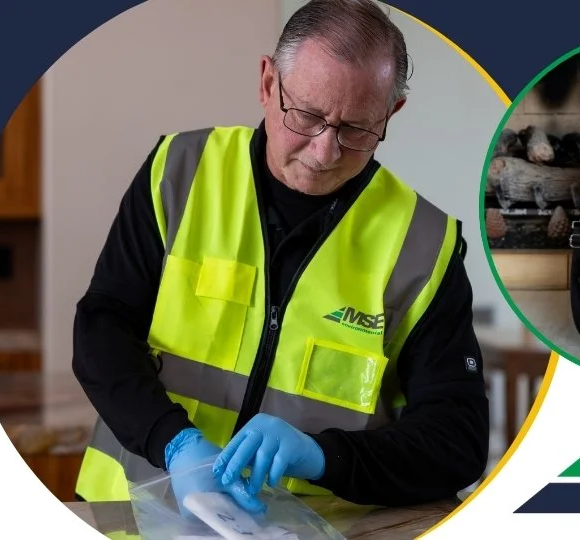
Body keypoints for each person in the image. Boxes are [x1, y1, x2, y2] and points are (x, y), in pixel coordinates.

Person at [71, 0, 490, 515]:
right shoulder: (178, 172)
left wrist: (326, 456)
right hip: (135, 514)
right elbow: (101, 330)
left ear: (392, 112)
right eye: (308, 116)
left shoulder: (425, 245)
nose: (325, 152)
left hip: (316, 528)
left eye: (357, 129)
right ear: (268, 83)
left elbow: (456, 441)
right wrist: (174, 443)